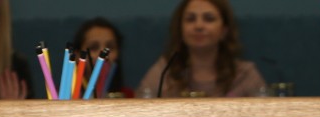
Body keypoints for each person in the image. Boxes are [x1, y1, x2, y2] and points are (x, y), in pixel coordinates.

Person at [137, 0, 266, 98]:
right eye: (190, 19)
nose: (198, 26)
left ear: (224, 30)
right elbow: (139, 115)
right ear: (180, 29)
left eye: (209, 19)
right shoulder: (164, 72)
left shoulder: (244, 75)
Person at [73, 17, 130, 97]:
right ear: (77, 55)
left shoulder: (129, 97)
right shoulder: (62, 98)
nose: (103, 54)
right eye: (93, 47)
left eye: (110, 47)